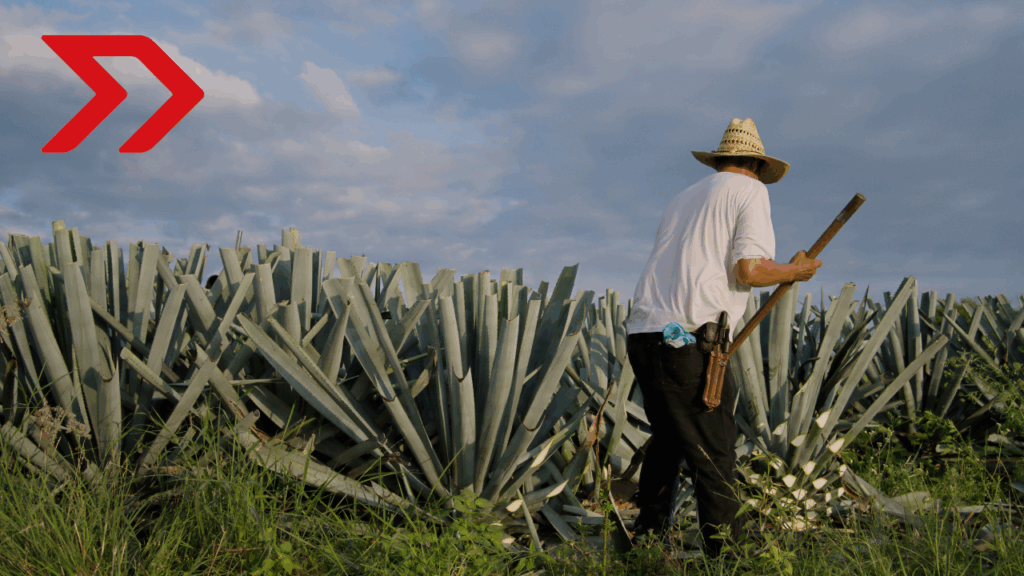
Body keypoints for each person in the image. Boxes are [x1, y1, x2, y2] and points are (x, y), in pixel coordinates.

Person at [624, 118, 821, 558]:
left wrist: (786, 269)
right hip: (691, 338)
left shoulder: (682, 199)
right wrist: (795, 271)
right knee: (714, 451)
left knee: (669, 441)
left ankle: (649, 543)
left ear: (719, 161)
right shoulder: (750, 190)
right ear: (757, 164)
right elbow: (749, 270)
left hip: (644, 333)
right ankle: (730, 557)